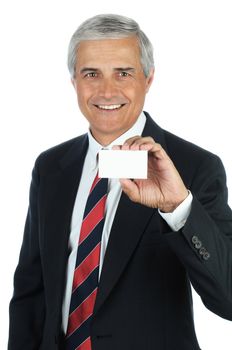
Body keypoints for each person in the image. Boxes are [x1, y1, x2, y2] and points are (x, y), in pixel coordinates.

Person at [8, 14, 232, 350]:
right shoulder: (51, 167)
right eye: (91, 74)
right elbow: (31, 290)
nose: (107, 90)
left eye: (123, 73)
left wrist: (178, 207)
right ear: (74, 81)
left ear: (148, 79)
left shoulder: (194, 166)